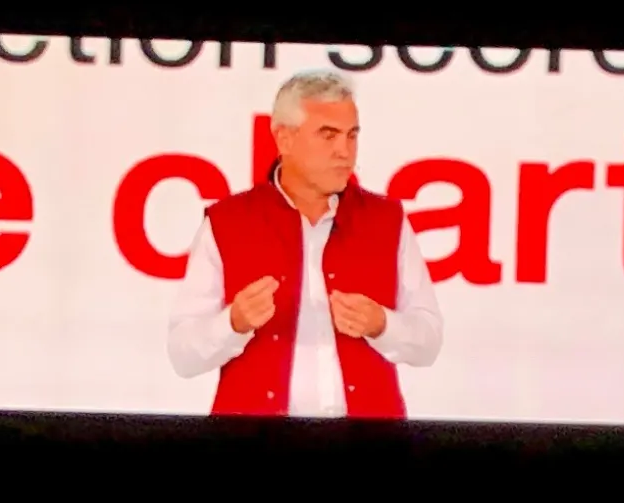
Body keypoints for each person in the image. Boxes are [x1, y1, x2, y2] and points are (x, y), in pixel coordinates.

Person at [170, 70, 444, 418]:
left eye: (351, 136)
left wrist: (383, 324)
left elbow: (430, 342)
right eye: (327, 136)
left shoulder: (387, 220)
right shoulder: (227, 222)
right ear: (284, 139)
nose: (344, 151)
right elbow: (182, 355)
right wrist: (233, 323)